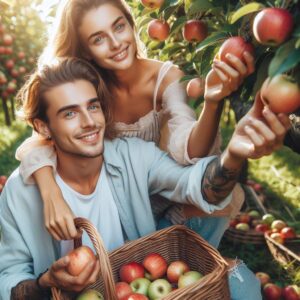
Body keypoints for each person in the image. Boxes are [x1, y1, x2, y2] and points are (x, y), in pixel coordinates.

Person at [0, 58, 289, 300]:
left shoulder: (130, 155)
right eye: (70, 113)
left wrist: (234, 154)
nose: (89, 121)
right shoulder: (21, 192)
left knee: (245, 286)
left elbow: (199, 187)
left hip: (138, 283)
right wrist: (46, 281)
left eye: (92, 106)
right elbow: (9, 280)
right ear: (43, 127)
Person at [15, 0, 255, 247]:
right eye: (98, 39)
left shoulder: (165, 78)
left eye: (119, 27)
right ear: (86, 50)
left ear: (131, 25)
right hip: (118, 208)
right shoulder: (87, 92)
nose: (116, 43)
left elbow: (191, 154)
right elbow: (39, 143)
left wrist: (212, 103)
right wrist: (50, 192)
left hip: (172, 197)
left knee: (211, 204)